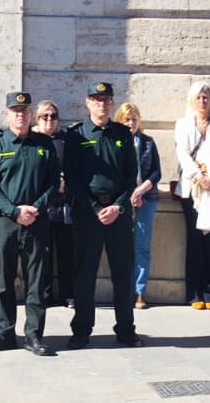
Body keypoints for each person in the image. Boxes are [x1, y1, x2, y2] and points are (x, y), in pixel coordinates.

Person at [0, 92, 61, 356]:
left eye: (25, 111)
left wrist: (35, 208)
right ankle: (4, 333)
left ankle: (34, 335)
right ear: (6, 114)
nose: (20, 115)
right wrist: (14, 211)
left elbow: (53, 183)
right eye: (15, 111)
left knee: (36, 281)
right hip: (5, 222)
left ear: (31, 115)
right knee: (3, 280)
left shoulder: (44, 144)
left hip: (37, 222)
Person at [65, 81, 142, 349]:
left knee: (123, 274)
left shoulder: (123, 133)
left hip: (118, 214)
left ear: (112, 103)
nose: (101, 104)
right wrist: (96, 209)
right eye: (96, 100)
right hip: (88, 214)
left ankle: (125, 329)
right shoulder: (76, 135)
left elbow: (131, 175)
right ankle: (82, 330)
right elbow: (72, 177)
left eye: (106, 100)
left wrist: (118, 206)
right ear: (87, 102)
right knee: (84, 275)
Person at [173, 81, 210, 310]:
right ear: (192, 100)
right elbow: (182, 154)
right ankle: (193, 293)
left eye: (206, 97)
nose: (202, 101)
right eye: (198, 97)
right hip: (192, 189)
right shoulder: (183, 124)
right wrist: (199, 175)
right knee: (194, 241)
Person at [116, 102, 160, 310]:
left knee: (142, 247)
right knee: (122, 248)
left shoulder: (148, 142)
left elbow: (156, 171)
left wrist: (140, 191)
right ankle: (123, 290)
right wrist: (129, 195)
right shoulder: (115, 142)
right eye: (126, 119)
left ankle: (139, 291)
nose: (131, 123)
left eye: (134, 119)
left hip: (146, 198)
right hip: (121, 201)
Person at [34, 101, 75, 310]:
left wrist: (67, 180)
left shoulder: (66, 140)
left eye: (53, 116)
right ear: (37, 119)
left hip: (64, 204)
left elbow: (76, 167)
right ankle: (46, 294)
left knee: (66, 252)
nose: (49, 120)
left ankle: (68, 294)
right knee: (43, 254)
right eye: (44, 116)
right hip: (41, 206)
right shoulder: (33, 140)